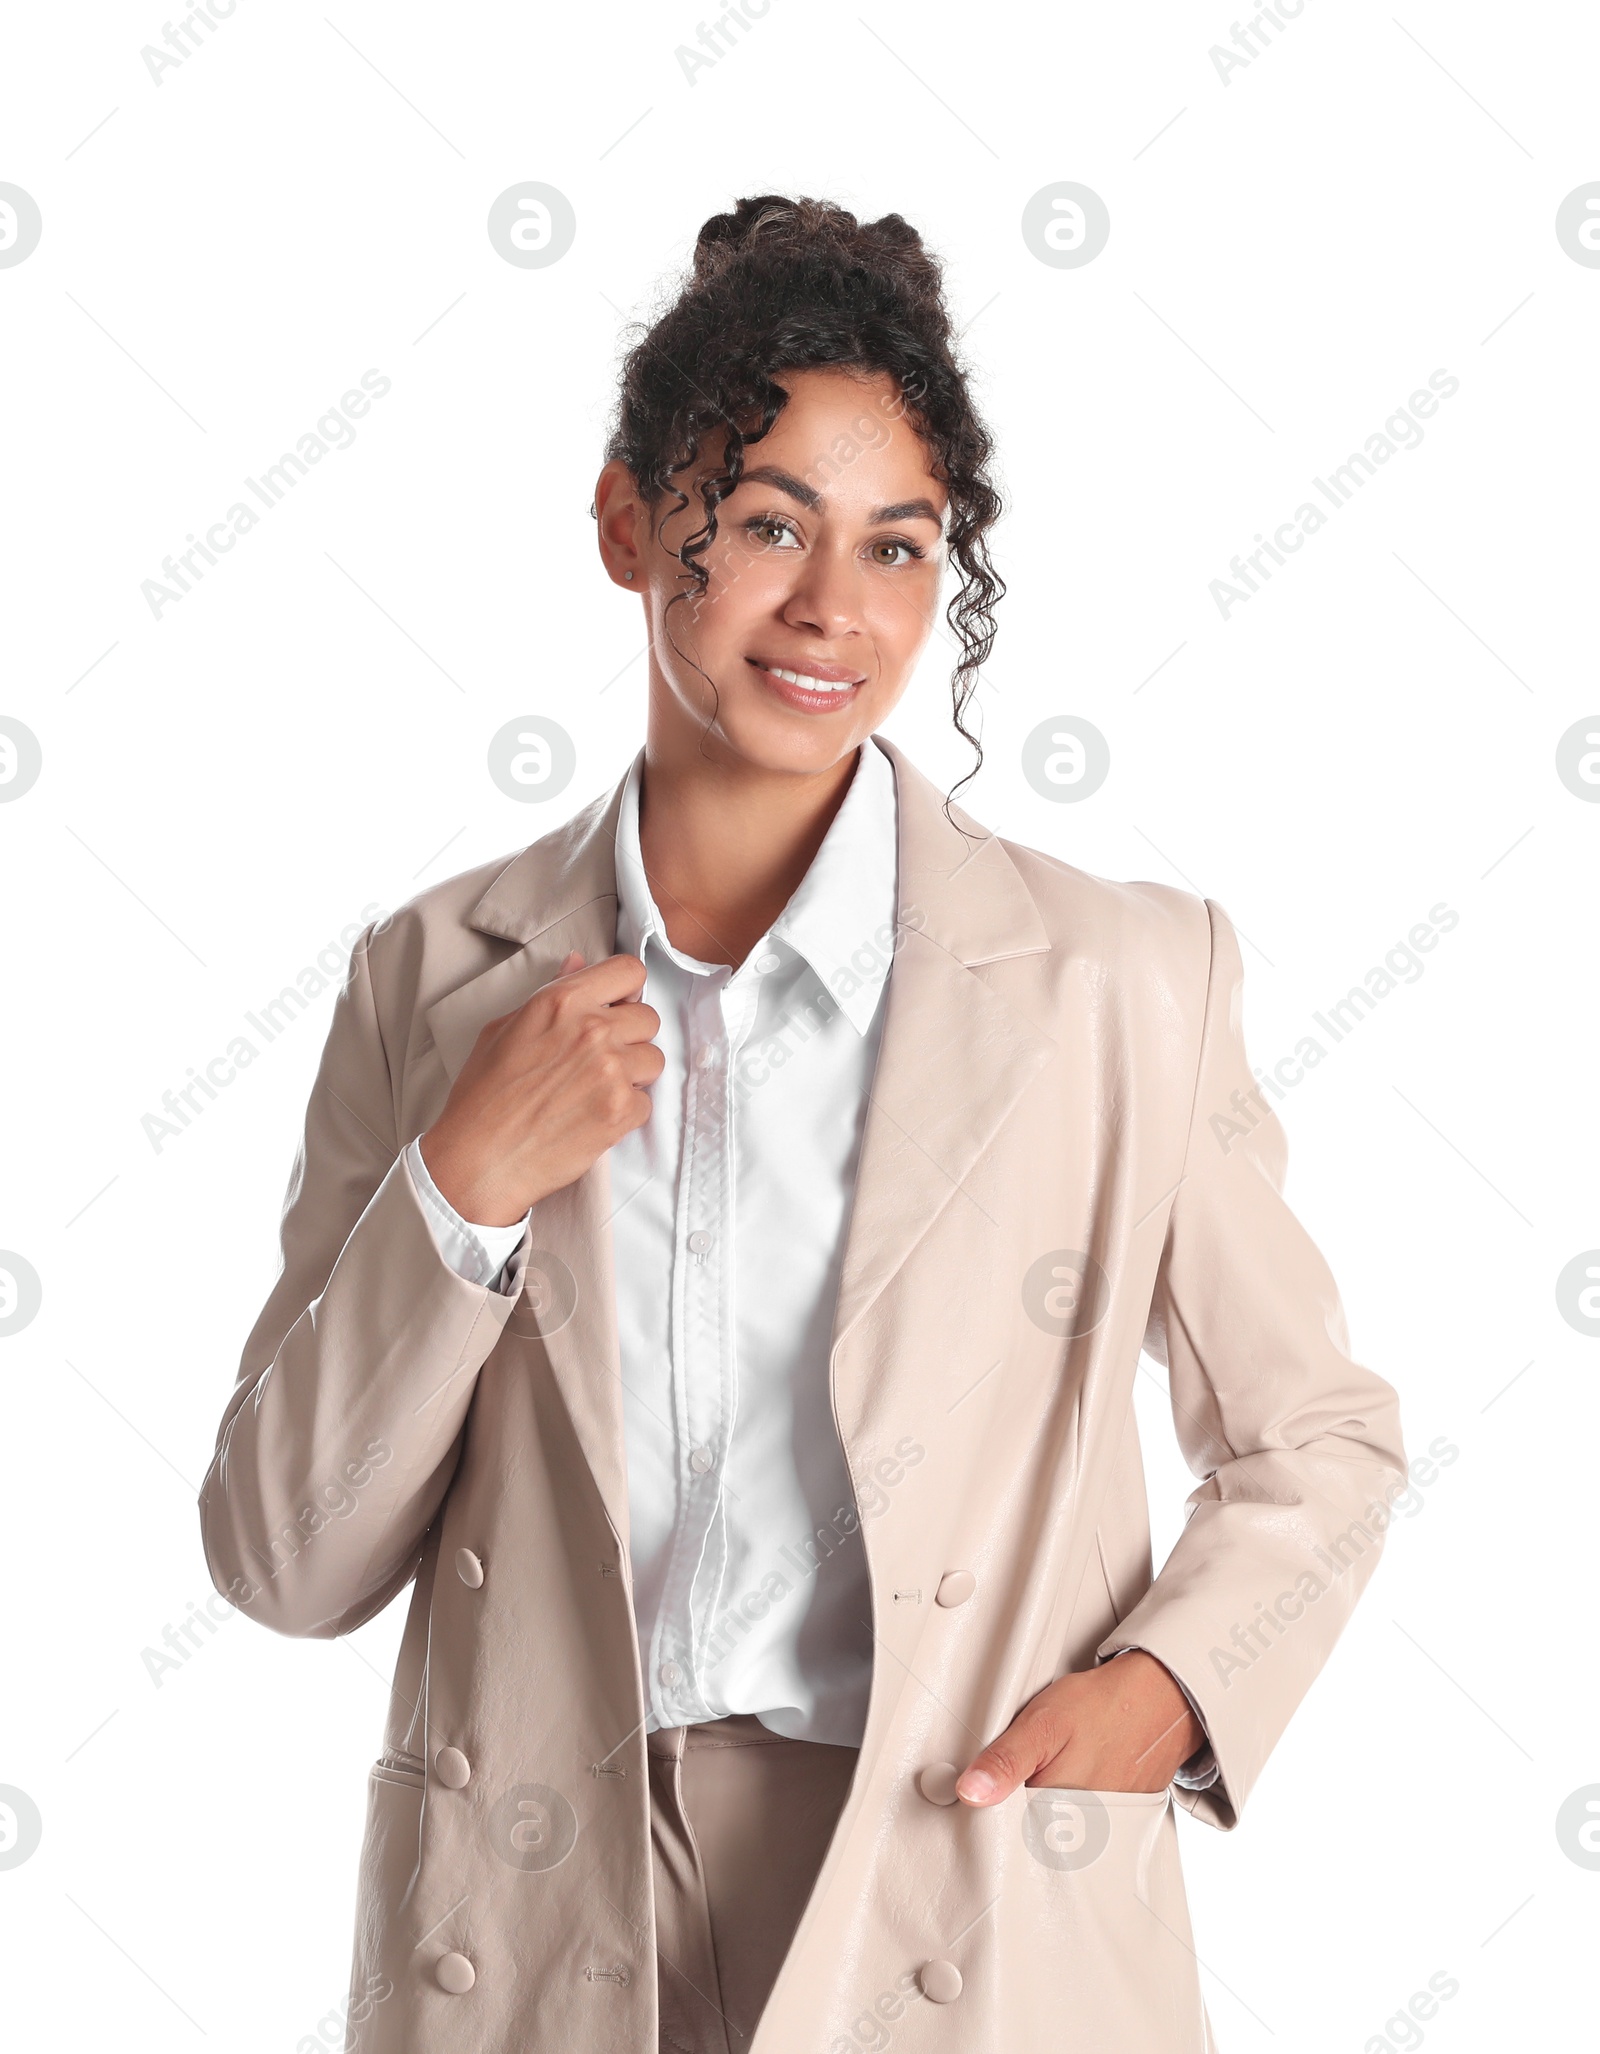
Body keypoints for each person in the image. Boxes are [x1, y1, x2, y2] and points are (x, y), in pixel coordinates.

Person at [200, 194, 1406, 2054]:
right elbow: (288, 1563)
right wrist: (462, 1188)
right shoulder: (433, 979)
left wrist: (1173, 1681)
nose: (835, 610)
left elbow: (1318, 1435)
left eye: (900, 550)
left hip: (954, 1873)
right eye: (765, 523)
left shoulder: (1118, 980)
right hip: (538, 1893)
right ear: (630, 526)